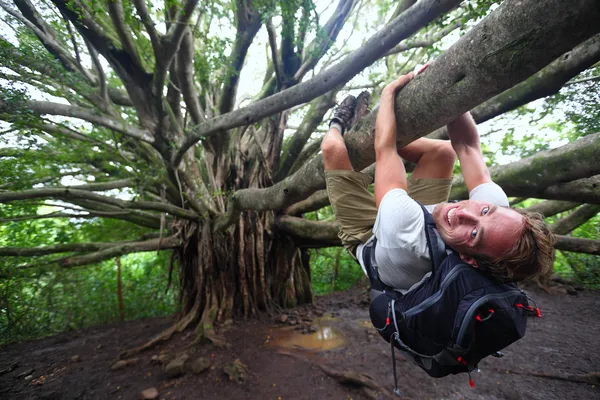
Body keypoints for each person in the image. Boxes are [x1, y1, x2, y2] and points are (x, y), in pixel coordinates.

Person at [321, 71, 555, 291]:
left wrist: (389, 93)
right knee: (444, 153)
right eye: (484, 211)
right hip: (424, 222)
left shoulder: (407, 238)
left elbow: (385, 149)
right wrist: (446, 83)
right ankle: (370, 127)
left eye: (474, 234)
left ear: (467, 259)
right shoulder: (497, 216)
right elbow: (467, 145)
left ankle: (337, 123)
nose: (464, 213)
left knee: (333, 148)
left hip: (371, 239)